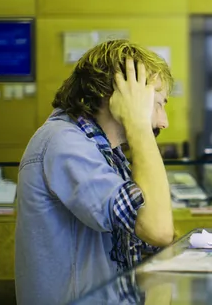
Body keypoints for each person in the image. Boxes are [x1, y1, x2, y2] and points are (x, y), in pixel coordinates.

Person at [15, 40, 175, 305]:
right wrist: (138, 126)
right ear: (116, 95)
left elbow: (152, 240)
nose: (163, 121)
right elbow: (157, 230)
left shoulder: (105, 151)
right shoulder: (62, 141)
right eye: (156, 104)